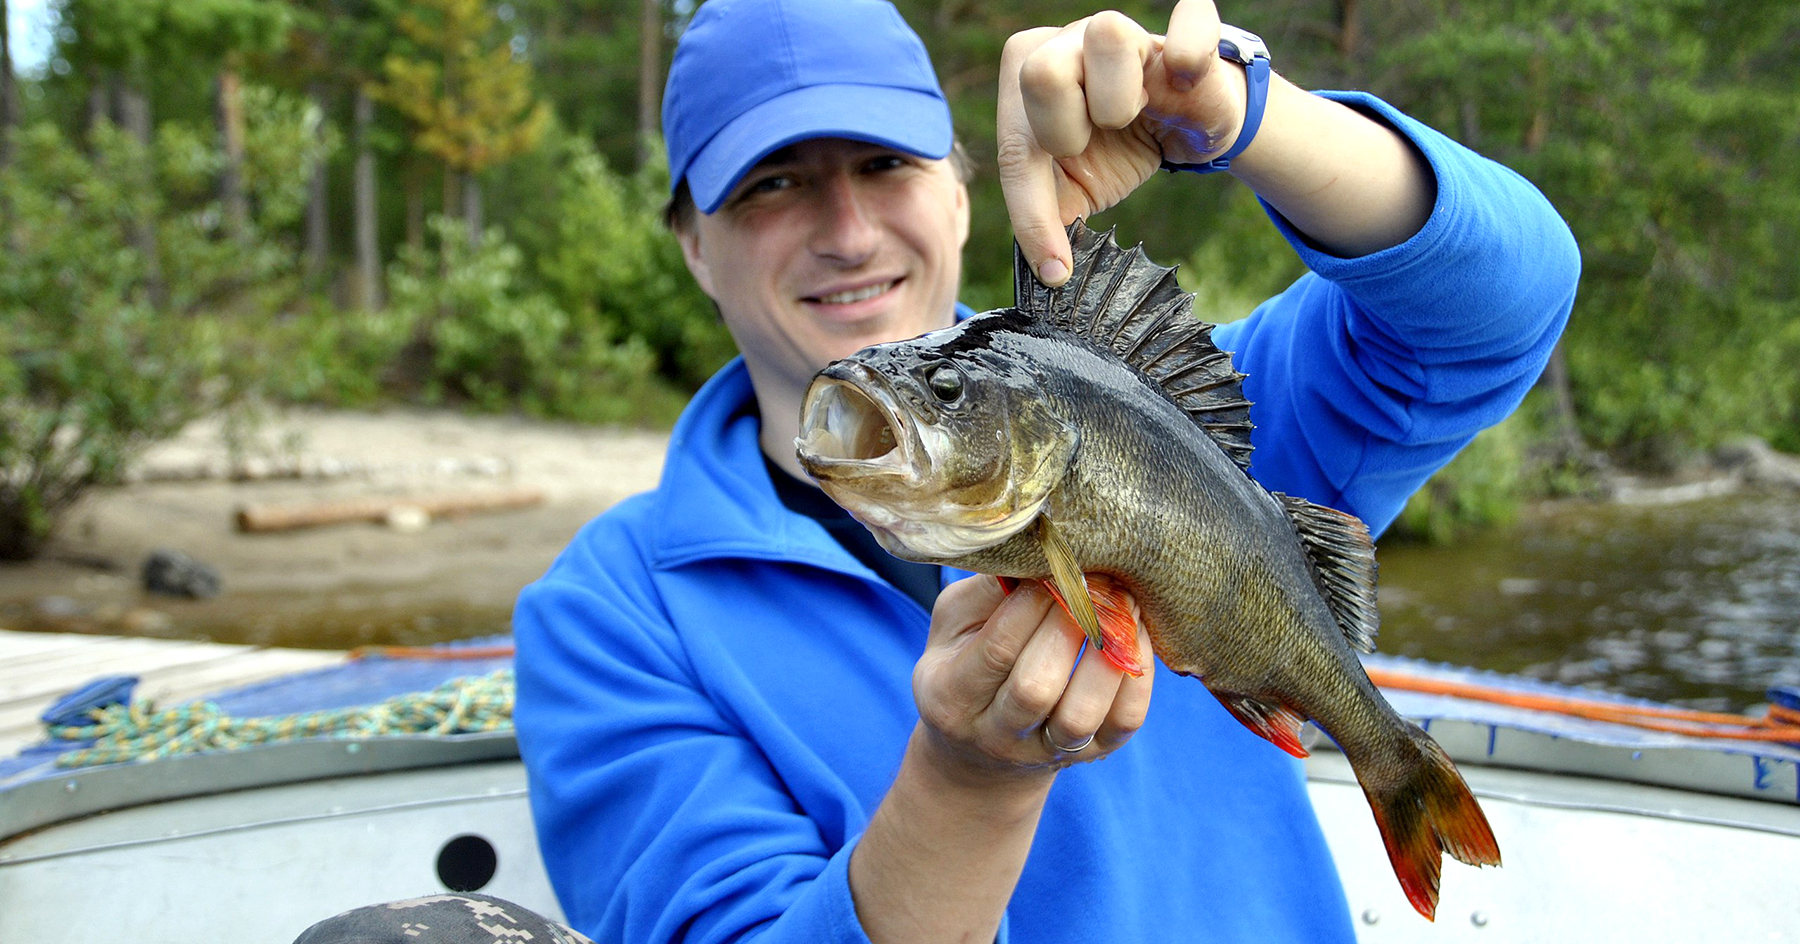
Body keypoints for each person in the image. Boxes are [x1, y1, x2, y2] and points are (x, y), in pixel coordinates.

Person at [297, 0, 1577, 940]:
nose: (847, 228)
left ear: (962, 191)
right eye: (773, 186)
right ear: (691, 240)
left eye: (884, 166)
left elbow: (1505, 303)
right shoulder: (610, 620)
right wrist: (970, 779)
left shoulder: (1211, 419)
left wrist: (1241, 116)